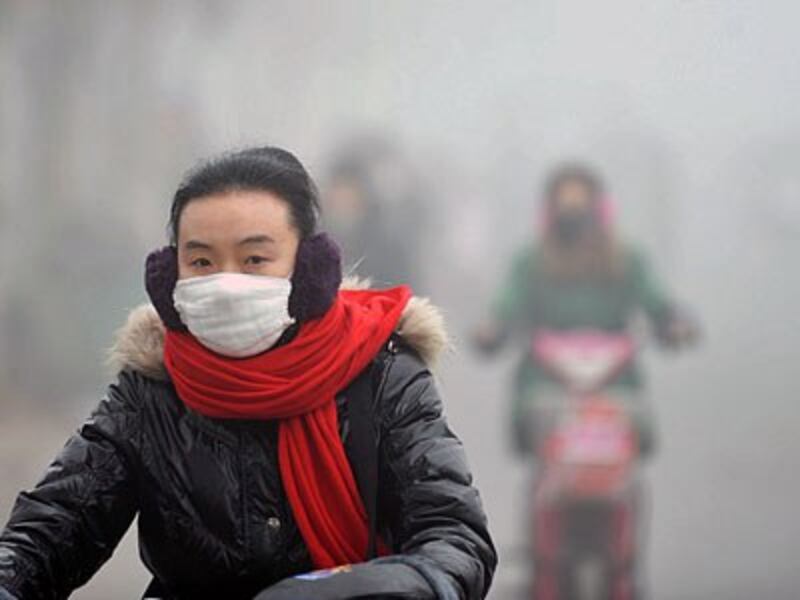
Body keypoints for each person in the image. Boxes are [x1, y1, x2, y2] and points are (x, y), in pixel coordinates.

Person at [0, 146, 496, 600]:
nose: (226, 281)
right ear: (170, 276)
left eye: (255, 258)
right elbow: (53, 527)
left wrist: (365, 590)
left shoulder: (383, 376)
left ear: (309, 270)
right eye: (201, 260)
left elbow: (454, 540)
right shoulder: (150, 389)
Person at [474, 162, 697, 455]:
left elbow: (655, 300)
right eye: (565, 204)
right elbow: (508, 302)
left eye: (580, 204)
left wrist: (673, 322)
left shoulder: (626, 260)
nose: (573, 214)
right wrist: (493, 327)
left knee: (636, 423)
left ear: (599, 209)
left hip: (615, 380)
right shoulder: (531, 261)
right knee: (531, 419)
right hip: (546, 378)